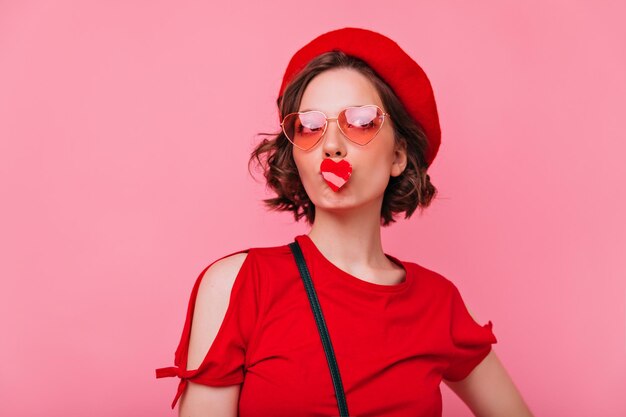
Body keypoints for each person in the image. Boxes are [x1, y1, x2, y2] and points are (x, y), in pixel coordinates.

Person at [156, 27, 534, 417]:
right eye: (311, 126)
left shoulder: (438, 304)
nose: (332, 144)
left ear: (398, 156)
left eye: (360, 121)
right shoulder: (237, 285)